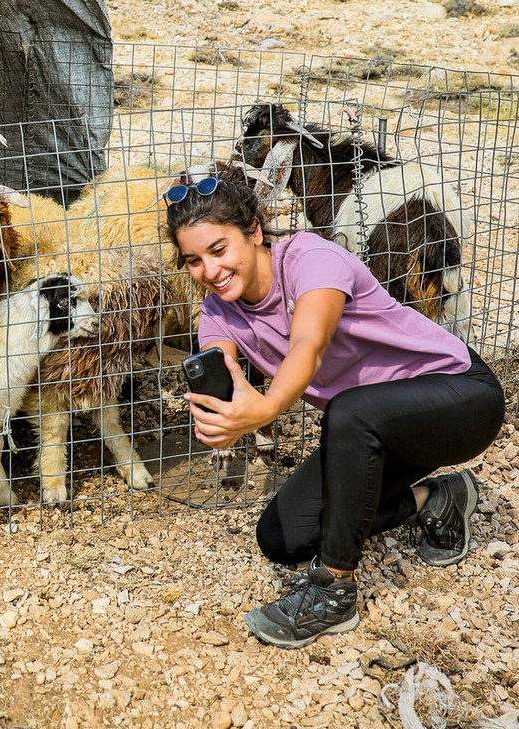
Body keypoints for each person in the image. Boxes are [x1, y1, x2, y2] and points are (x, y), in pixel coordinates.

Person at [164, 175, 505, 649]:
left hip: (461, 396)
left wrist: (263, 408)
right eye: (194, 261)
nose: (210, 269)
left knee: (348, 412)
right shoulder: (219, 313)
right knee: (282, 539)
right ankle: (436, 499)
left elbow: (309, 343)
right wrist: (222, 414)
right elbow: (223, 368)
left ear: (255, 231)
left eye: (219, 249)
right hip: (377, 430)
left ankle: (334, 592)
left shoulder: (310, 258)